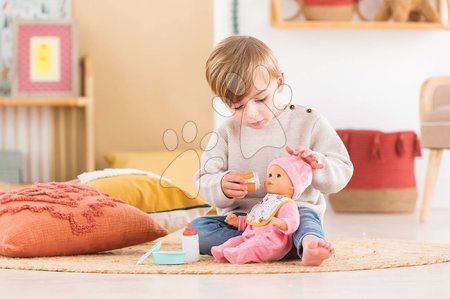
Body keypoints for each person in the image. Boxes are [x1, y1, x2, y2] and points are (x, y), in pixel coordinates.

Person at [192, 35, 353, 266]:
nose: (252, 114)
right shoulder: (226, 133)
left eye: (260, 99)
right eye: (237, 107)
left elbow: (342, 169)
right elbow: (203, 179)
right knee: (198, 230)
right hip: (247, 221)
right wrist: (221, 185)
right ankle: (273, 245)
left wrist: (316, 165)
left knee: (307, 219)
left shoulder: (308, 121)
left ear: (279, 81)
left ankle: (305, 244)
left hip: (293, 216)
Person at [211, 156, 311, 264]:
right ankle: (222, 251)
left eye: (278, 176)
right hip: (251, 236)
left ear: (293, 186)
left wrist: (282, 223)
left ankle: (237, 255)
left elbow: (293, 221)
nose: (270, 179)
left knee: (252, 246)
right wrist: (238, 221)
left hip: (272, 240)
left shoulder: (287, 203)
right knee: (236, 241)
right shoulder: (267, 201)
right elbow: (256, 219)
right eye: (269, 175)